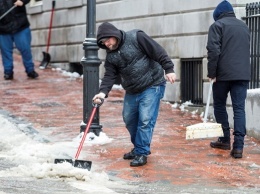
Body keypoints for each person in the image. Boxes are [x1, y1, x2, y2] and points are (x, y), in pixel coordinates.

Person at [93, 22, 176, 167]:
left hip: (152, 84)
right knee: (129, 119)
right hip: (132, 89)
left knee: (145, 119)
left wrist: (169, 69)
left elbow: (158, 51)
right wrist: (102, 93)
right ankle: (138, 147)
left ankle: (142, 152)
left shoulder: (136, 37)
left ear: (114, 35)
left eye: (107, 40)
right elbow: (109, 76)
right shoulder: (111, 55)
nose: (106, 44)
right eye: (103, 43)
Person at [206, 0, 250, 159]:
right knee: (239, 108)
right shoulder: (244, 26)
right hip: (242, 74)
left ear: (218, 15)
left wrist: (212, 73)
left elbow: (213, 50)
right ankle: (238, 146)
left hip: (222, 74)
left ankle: (225, 139)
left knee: (219, 105)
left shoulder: (217, 26)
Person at [0, 0, 38, 80]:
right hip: (3, 29)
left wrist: (22, 1)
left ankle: (30, 70)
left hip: (20, 25)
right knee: (5, 52)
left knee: (25, 49)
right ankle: (8, 72)